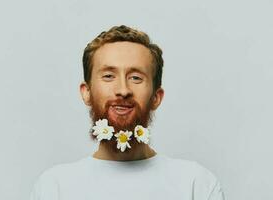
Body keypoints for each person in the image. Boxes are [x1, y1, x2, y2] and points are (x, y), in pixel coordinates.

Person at [30, 25, 225, 200]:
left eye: (136, 77)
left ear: (156, 97)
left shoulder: (196, 185)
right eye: (108, 76)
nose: (123, 90)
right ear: (86, 92)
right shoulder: (54, 188)